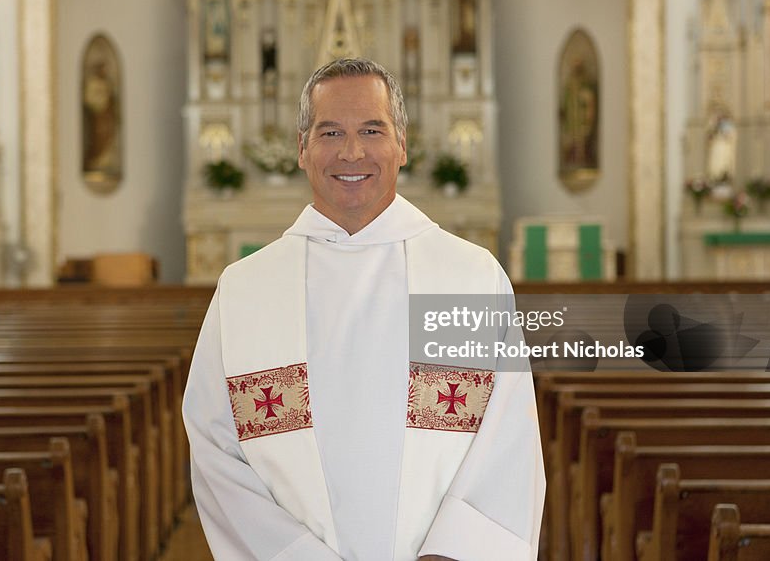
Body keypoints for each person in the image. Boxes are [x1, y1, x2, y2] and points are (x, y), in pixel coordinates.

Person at [183, 58, 545, 561]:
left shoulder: (470, 278)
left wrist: (449, 554)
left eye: (372, 129)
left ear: (402, 145)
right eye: (330, 132)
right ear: (302, 149)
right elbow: (215, 446)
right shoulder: (246, 290)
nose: (352, 152)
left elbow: (508, 438)